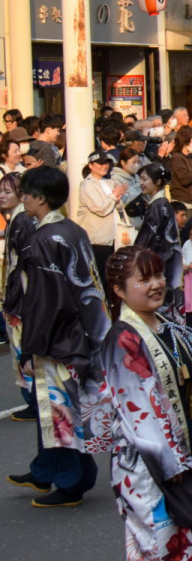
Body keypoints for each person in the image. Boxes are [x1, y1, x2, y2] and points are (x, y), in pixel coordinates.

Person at [99, 246, 192, 561]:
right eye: (144, 279)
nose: (157, 284)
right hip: (153, 469)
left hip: (186, 454)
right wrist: (178, 472)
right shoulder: (122, 341)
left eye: (158, 275)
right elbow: (141, 419)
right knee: (168, 552)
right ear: (119, 290)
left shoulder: (167, 326)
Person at [6, 167, 112, 507]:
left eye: (27, 192)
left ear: (40, 198)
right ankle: (48, 470)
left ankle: (71, 482)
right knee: (60, 410)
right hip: (81, 330)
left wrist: (32, 343)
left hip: (56, 338)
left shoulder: (42, 239)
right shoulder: (72, 231)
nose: (23, 198)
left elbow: (42, 300)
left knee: (60, 411)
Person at [0, 172, 35, 414]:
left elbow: (20, 267)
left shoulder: (21, 221)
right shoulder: (18, 218)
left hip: (21, 298)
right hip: (19, 296)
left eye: (7, 192)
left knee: (23, 349)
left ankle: (34, 402)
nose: (2, 196)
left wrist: (10, 301)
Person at [134, 162, 185, 321]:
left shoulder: (157, 205)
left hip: (161, 261)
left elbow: (148, 238)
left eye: (145, 179)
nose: (141, 183)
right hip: (169, 260)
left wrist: (135, 256)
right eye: (141, 179)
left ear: (157, 182)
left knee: (161, 309)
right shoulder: (163, 204)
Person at [77, 151, 127, 289]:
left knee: (110, 278)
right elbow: (100, 209)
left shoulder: (110, 182)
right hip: (96, 240)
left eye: (106, 163)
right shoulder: (87, 185)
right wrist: (114, 195)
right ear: (91, 165)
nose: (104, 166)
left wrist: (117, 197)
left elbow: (119, 206)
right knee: (98, 279)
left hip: (112, 239)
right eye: (100, 163)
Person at [168, 126, 192, 214]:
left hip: (191, 202)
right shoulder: (177, 158)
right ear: (186, 142)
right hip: (182, 202)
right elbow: (185, 180)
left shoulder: (188, 157)